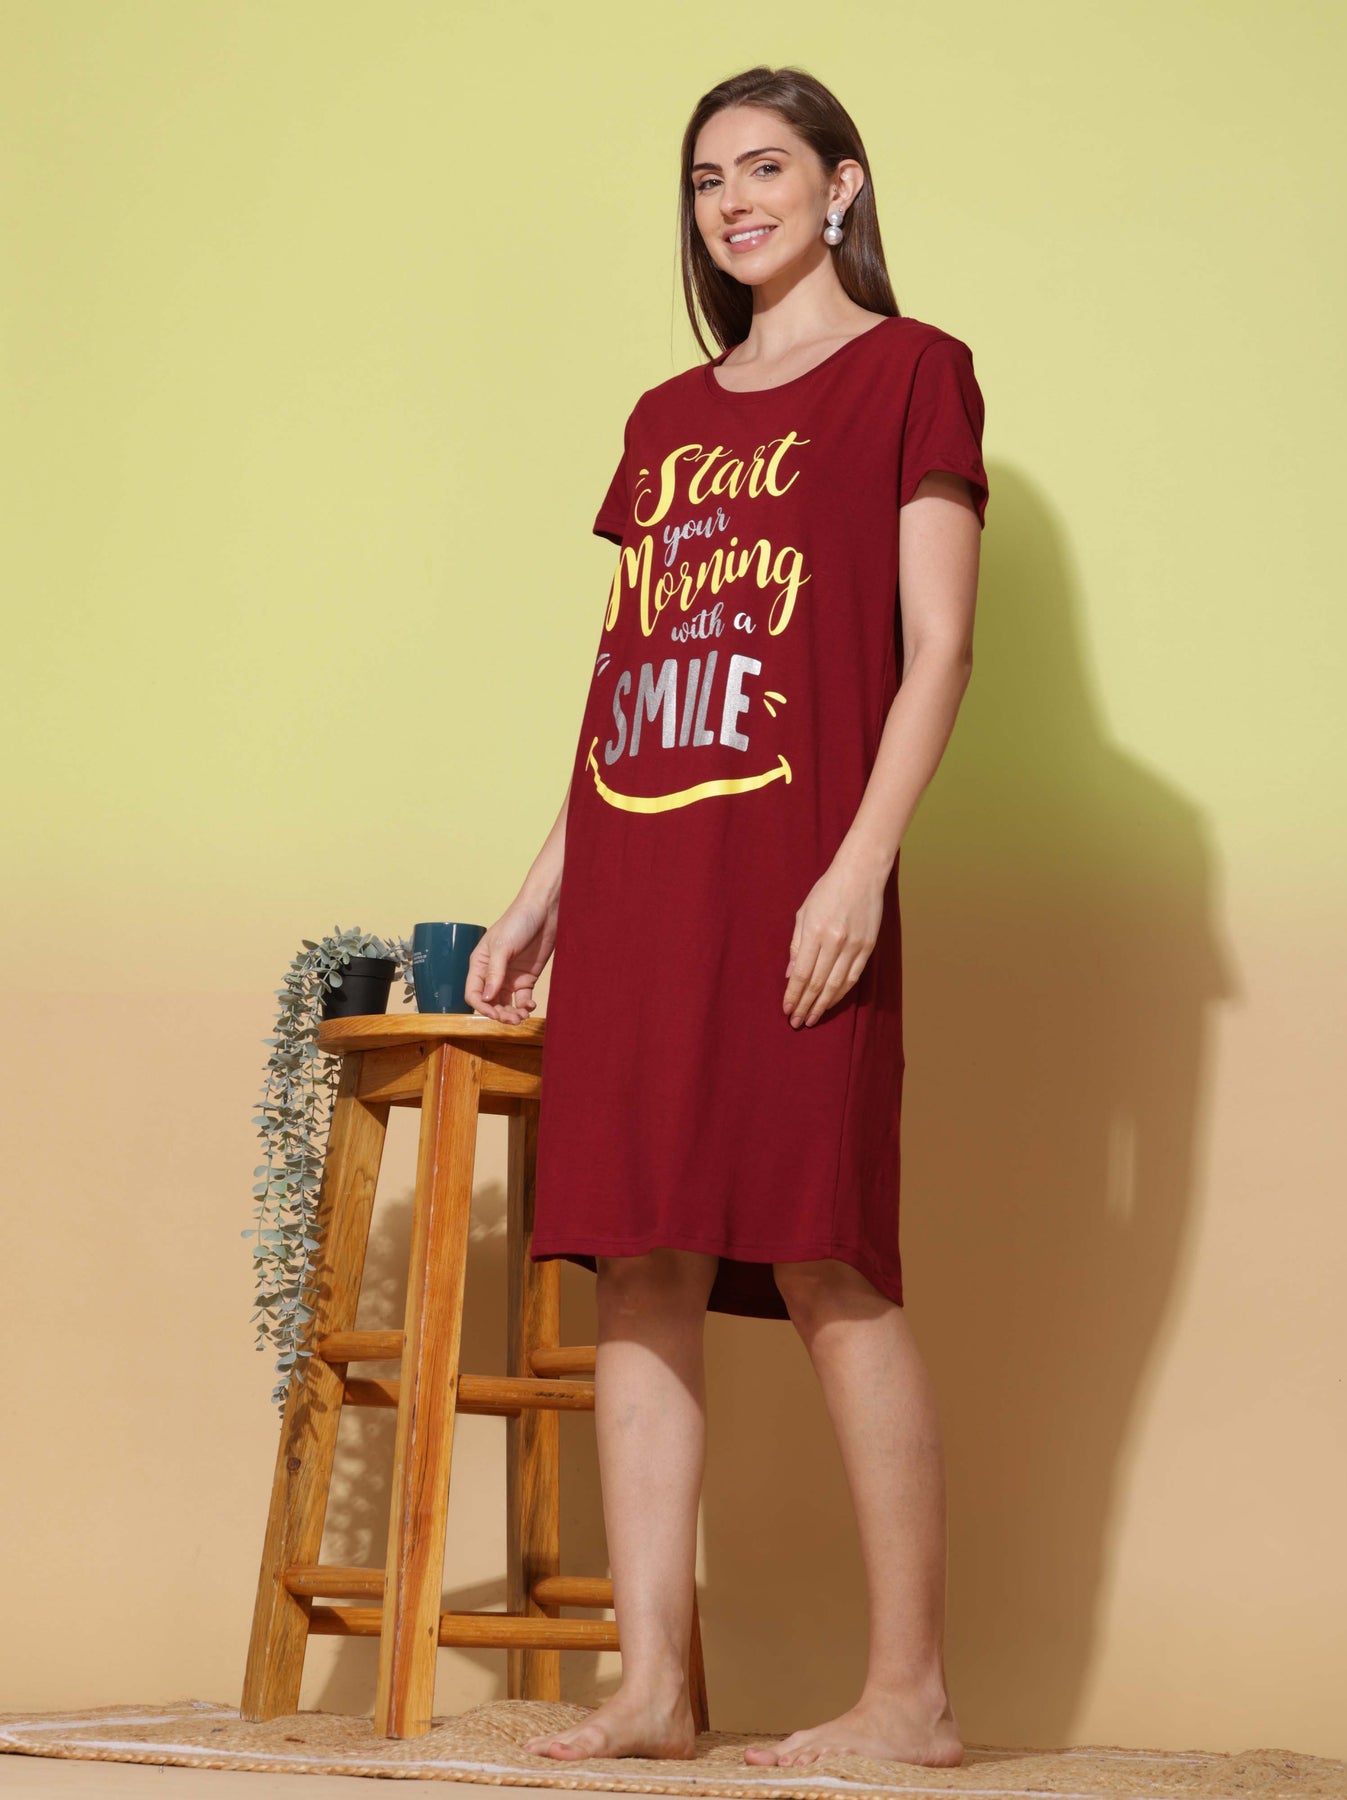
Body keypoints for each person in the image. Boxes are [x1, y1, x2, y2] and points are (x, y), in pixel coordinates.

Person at [465, 62, 986, 1774]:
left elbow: (937, 649)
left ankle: (909, 1694)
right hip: (639, 887)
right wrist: (540, 894)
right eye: (706, 180)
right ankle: (652, 1689)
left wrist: (859, 866)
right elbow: (633, 670)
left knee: (830, 1257)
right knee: (638, 1263)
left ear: (841, 185)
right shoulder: (662, 419)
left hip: (796, 879)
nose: (733, 202)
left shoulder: (912, 374)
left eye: (765, 168)